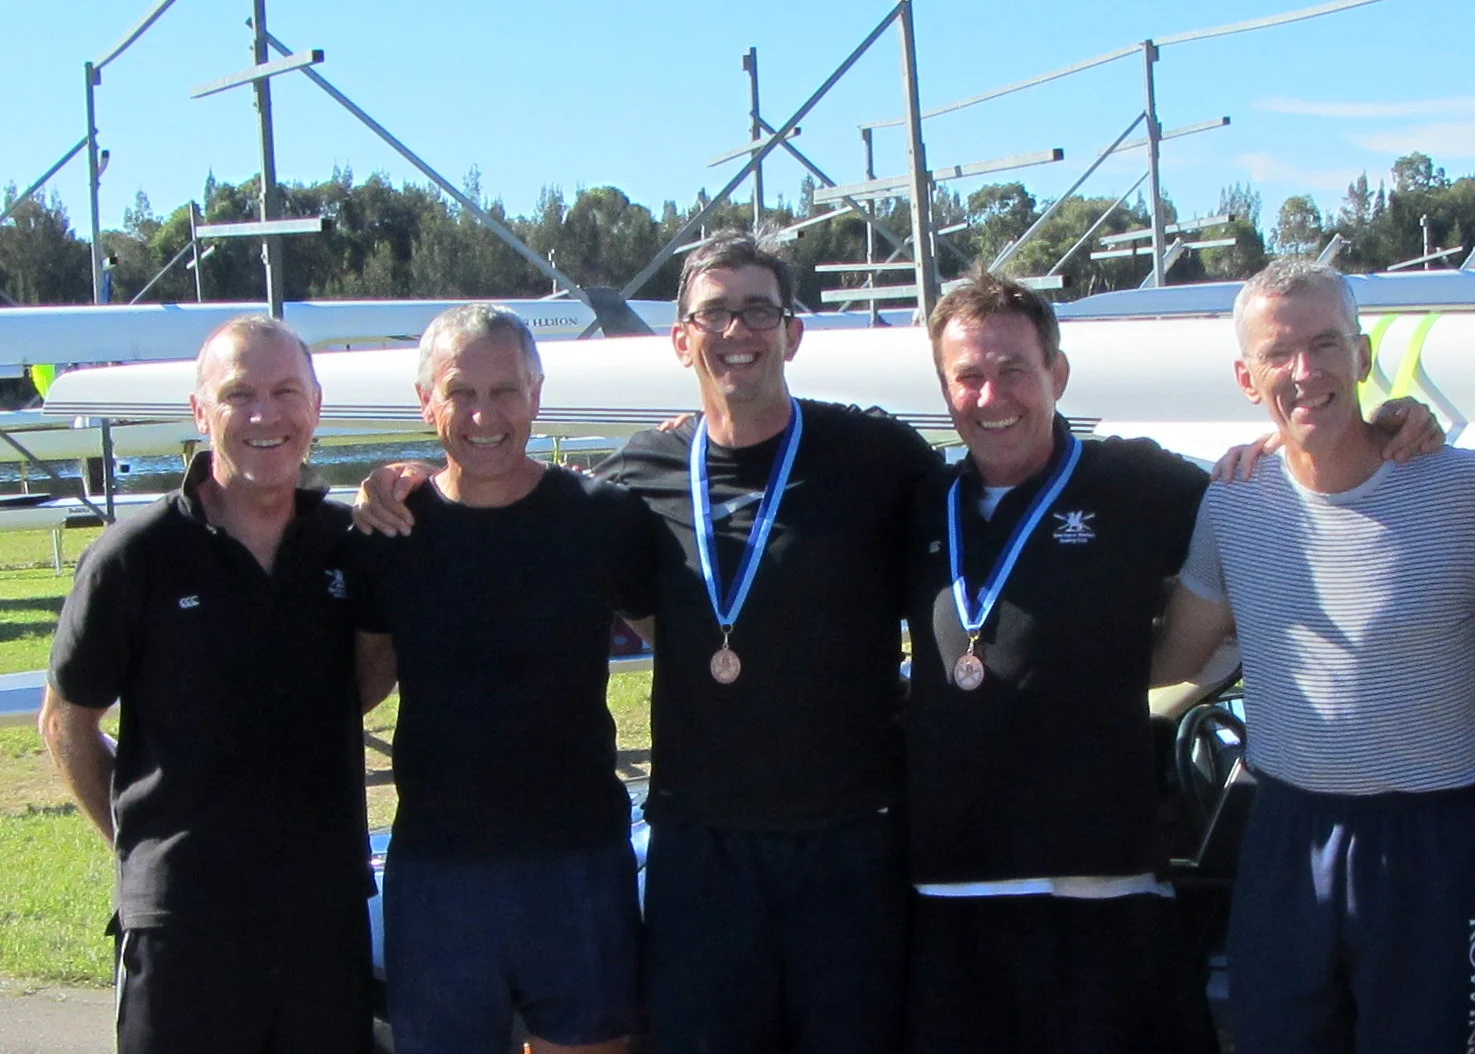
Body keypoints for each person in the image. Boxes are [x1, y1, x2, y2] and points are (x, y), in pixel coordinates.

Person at [353, 232, 940, 1053]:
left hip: (836, 838)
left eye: (757, 310)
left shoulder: (874, 457)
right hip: (683, 847)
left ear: (792, 331)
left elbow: (985, 528)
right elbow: (375, 661)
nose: (735, 331)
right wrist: (385, 482)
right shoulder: (638, 473)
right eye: (713, 313)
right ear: (681, 338)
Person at [1152, 258, 1475, 1053]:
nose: (1305, 371)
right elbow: (1173, 660)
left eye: (1325, 344)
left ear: (1362, 356)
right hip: (1286, 831)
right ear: (1246, 377)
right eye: (1278, 353)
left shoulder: (1464, 488)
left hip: (1433, 842)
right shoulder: (1232, 498)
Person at [39, 316, 377, 1054]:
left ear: (316, 406)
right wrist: (145, 849)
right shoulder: (136, 555)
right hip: (183, 925)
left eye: (285, 392)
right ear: (200, 411)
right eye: (238, 395)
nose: (265, 415)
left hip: (322, 917)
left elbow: (363, 678)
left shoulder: (349, 544)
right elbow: (66, 721)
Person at [902, 271, 1213, 1053]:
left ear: (1057, 374)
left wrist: (1380, 428)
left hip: (1100, 883)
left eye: (1013, 369)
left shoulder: (1139, 485)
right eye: (967, 376)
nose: (990, 396)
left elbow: (1271, 503)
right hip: (950, 881)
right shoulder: (914, 502)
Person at [349, 304, 656, 1054]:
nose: (484, 415)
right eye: (460, 392)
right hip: (438, 871)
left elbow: (688, 652)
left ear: (537, 394)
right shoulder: (392, 530)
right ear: (426, 401)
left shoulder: (603, 518)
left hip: (579, 862)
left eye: (505, 391)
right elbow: (357, 686)